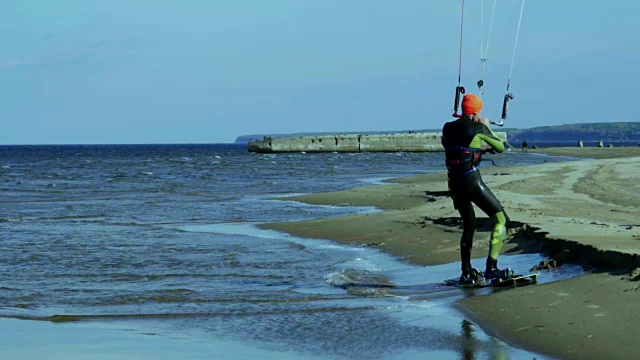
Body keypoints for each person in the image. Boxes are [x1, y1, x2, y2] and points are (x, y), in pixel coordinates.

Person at [442, 94, 512, 284]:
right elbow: (500, 147)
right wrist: (485, 125)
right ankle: (491, 268)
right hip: (472, 182)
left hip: (454, 184)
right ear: (476, 111)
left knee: (469, 225)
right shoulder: (478, 127)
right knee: (500, 220)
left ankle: (466, 271)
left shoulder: (447, 128)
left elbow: (454, 146)